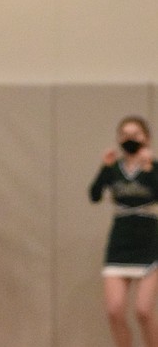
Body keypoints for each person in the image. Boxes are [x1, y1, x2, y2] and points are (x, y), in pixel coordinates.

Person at [90, 116, 158, 347]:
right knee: (114, 311)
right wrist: (104, 168)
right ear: (119, 139)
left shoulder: (154, 167)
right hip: (120, 242)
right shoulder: (114, 168)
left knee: (143, 311)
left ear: (146, 138)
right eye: (125, 135)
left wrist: (149, 169)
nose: (130, 139)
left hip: (149, 242)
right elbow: (94, 195)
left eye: (136, 134)